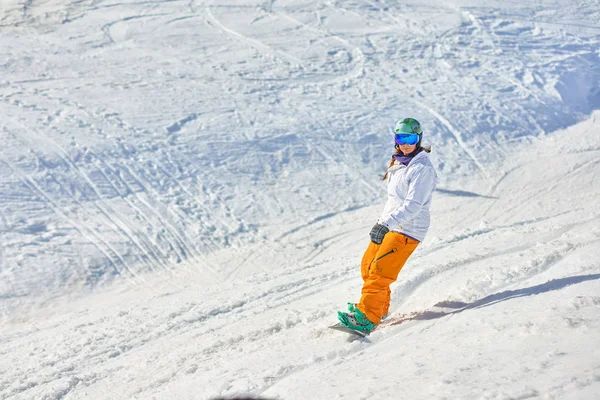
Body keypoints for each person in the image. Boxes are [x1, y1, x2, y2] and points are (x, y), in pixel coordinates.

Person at [338, 117, 438, 333]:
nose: (406, 143)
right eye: (401, 137)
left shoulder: (421, 168)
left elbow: (413, 205)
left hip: (408, 229)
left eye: (411, 138)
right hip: (391, 224)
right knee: (368, 266)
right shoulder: (399, 163)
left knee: (379, 272)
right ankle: (379, 308)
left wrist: (388, 225)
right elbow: (394, 201)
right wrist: (382, 222)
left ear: (419, 139)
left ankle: (367, 317)